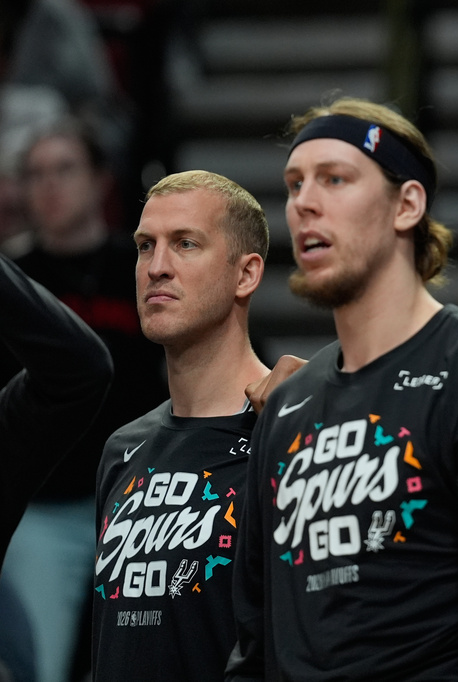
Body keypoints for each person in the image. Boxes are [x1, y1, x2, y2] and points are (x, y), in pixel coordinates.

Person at [227, 97, 458, 681]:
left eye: (334, 180)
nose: (304, 204)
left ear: (407, 204)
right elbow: (255, 641)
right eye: (294, 186)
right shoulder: (287, 404)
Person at [0, 116, 165, 682]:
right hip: (40, 510)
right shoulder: (13, 281)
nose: (48, 185)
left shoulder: (146, 268)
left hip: (140, 503)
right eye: (34, 173)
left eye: (64, 169)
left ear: (100, 181)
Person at [92, 170, 270, 681]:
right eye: (145, 247)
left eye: (185, 244)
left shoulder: (288, 428)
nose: (157, 268)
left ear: (246, 274)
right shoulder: (121, 449)